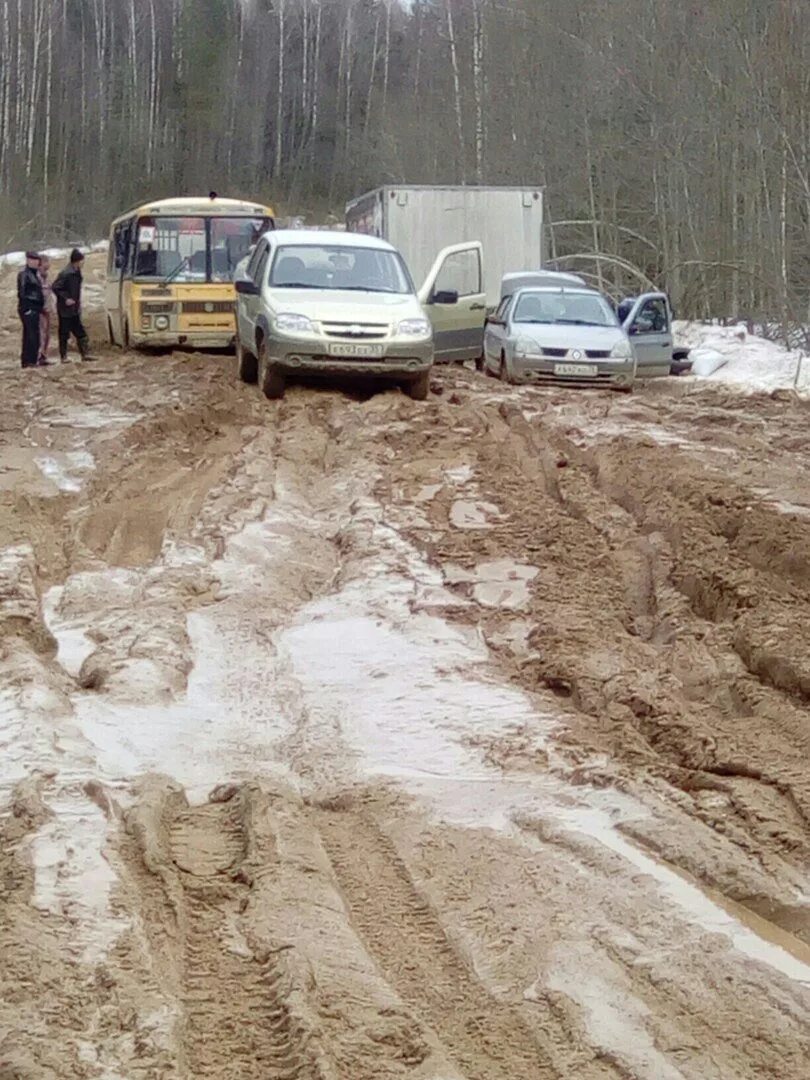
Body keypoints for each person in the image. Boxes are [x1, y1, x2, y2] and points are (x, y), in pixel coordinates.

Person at [52, 248, 95, 361]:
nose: (83, 263)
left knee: (80, 332)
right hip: (65, 309)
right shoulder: (66, 273)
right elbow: (56, 287)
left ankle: (85, 354)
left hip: (74, 308)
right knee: (64, 333)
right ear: (76, 261)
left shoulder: (76, 273)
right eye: (82, 261)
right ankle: (63, 356)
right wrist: (65, 298)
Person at [17, 252, 44, 369]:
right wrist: (29, 306)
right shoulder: (24, 275)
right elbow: (22, 293)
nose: (35, 262)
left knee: (33, 334)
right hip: (29, 308)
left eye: (37, 260)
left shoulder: (34, 274)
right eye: (33, 260)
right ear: (28, 260)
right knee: (31, 335)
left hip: (34, 308)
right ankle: (29, 360)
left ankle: (31, 360)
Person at [38, 254, 56, 365]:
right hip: (41, 310)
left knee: (47, 334)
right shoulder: (37, 278)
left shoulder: (46, 277)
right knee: (41, 333)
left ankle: (44, 355)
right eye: (47, 262)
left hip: (47, 309)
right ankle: (39, 356)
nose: (49, 264)